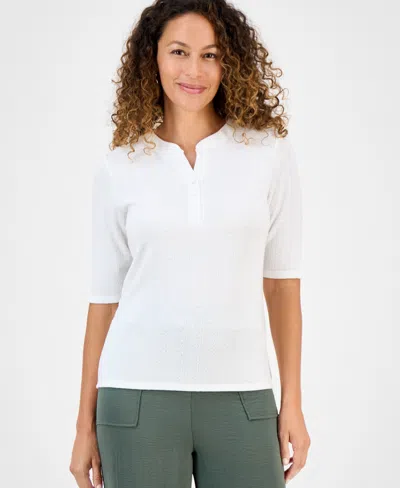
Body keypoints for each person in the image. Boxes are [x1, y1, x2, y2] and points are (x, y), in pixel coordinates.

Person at [69, 0, 311, 487]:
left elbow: (282, 285)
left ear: (229, 63)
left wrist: (293, 403)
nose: (194, 71)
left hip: (244, 395)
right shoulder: (120, 166)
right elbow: (104, 301)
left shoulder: (267, 155)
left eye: (210, 55)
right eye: (179, 52)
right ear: (153, 58)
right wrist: (83, 426)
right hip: (135, 397)